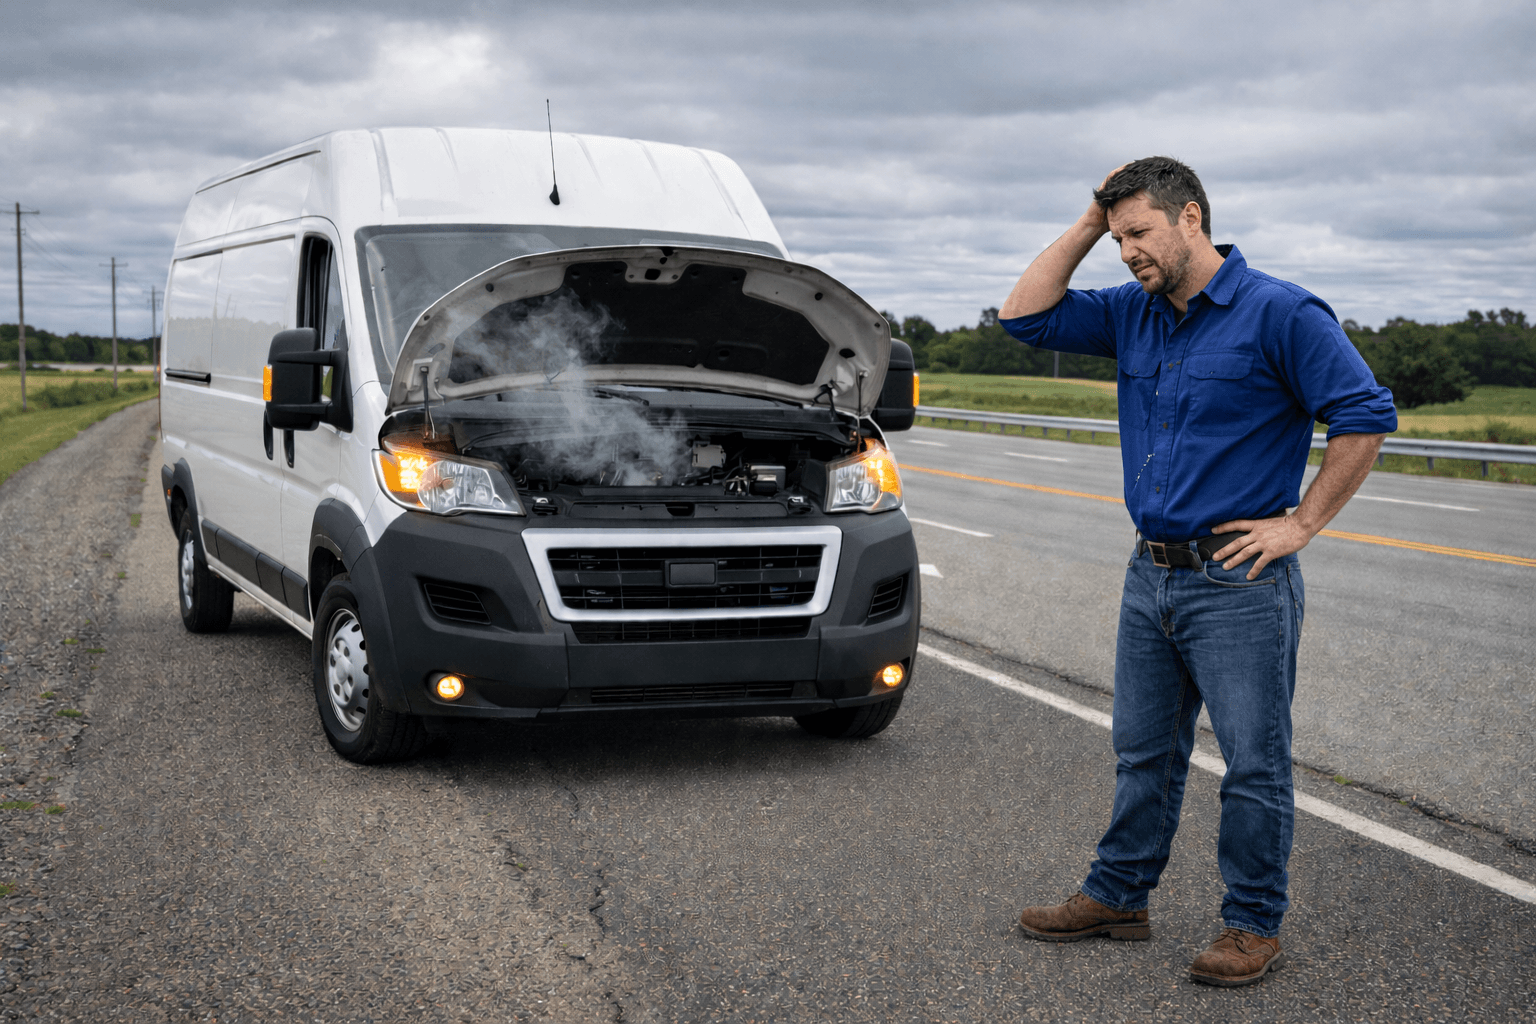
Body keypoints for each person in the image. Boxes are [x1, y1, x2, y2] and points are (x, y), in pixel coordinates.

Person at [998, 156, 1396, 987]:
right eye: (1115, 239)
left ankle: (1251, 925)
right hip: (1151, 576)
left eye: (1138, 233)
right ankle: (1119, 895)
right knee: (1142, 751)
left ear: (1192, 219)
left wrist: (1303, 523)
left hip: (1238, 584)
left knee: (1254, 764)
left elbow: (1363, 414)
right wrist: (1086, 221)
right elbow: (1024, 318)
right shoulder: (1132, 315)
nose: (1126, 253)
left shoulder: (1279, 313)